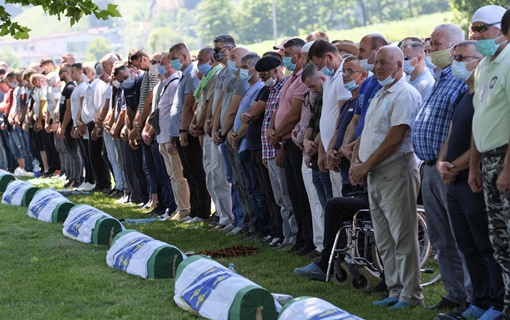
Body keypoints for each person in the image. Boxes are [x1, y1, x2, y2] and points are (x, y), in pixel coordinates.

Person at [436, 39, 504, 320]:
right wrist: (442, 163)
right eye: (454, 57)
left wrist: (458, 166)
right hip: (453, 181)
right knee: (466, 244)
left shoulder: (484, 96)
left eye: (462, 57)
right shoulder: (464, 94)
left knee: (485, 244)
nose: (456, 63)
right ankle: (478, 300)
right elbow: (451, 134)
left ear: (479, 60)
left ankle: (497, 304)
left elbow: (481, 137)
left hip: (472, 179)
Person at [351, 45, 423, 309]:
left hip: (395, 170)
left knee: (402, 236)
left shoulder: (405, 94)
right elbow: (368, 131)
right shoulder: (380, 92)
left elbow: (396, 137)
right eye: (375, 62)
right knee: (384, 236)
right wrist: (356, 160)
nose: (377, 67)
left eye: (383, 62)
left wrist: (365, 164)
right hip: (374, 171)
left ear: (399, 65)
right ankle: (395, 290)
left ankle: (411, 295)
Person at [412, 23, 471, 311]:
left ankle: (474, 296)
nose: (430, 49)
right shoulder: (440, 78)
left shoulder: (460, 80)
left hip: (449, 169)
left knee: (461, 236)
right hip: (430, 167)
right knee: (440, 237)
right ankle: (454, 293)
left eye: (436, 44)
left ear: (454, 47)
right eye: (429, 44)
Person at [470, 5, 510, 319]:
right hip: (488, 162)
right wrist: (474, 165)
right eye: (473, 28)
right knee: (500, 243)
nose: (476, 35)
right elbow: (479, 118)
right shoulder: (484, 65)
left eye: (482, 28)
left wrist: (508, 167)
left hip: (506, 159)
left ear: (500, 28)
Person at [267, 38, 314, 255]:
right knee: (293, 193)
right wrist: (272, 128)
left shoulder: (303, 79)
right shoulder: (290, 78)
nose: (283, 58)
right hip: (286, 141)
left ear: (298, 56)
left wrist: (277, 132)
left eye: (287, 54)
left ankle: (308, 239)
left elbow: (295, 113)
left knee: (302, 195)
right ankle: (301, 238)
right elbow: (279, 107)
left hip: (295, 143)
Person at [256, 55, 297, 248]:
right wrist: (266, 153)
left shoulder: (284, 87)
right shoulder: (270, 90)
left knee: (287, 198)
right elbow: (270, 120)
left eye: (265, 74)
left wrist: (279, 146)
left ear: (276, 70)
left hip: (279, 149)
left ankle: (293, 236)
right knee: (280, 198)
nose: (263, 78)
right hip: (269, 152)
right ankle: (286, 235)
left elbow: (285, 119)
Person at [170, 43, 211, 221]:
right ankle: (195, 210)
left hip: (188, 131)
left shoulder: (193, 75)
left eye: (173, 58)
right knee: (189, 172)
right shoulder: (183, 76)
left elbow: (190, 104)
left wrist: (183, 129)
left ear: (184, 57)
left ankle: (202, 211)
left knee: (196, 173)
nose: (172, 62)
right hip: (183, 130)